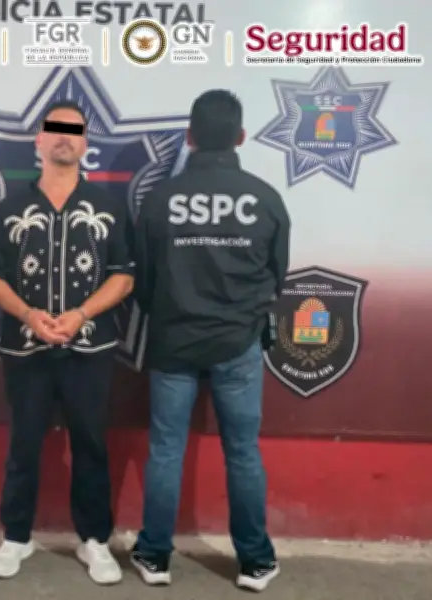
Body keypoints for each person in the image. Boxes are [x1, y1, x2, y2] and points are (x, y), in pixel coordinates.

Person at [130, 90, 290, 592]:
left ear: (189, 137)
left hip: (173, 343)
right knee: (242, 452)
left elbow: (144, 284)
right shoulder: (265, 198)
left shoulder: (160, 199)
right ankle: (256, 562)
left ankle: (154, 556)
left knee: (166, 451)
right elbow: (277, 276)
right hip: (239, 344)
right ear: (240, 137)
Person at [0, 101, 135, 585]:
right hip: (25, 348)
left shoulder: (110, 207)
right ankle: (16, 536)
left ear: (86, 143)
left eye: (74, 130)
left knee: (90, 443)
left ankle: (94, 540)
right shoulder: (9, 209)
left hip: (90, 348)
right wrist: (29, 315)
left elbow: (124, 275)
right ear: (39, 140)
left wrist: (82, 313)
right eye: (55, 129)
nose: (64, 137)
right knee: (23, 444)